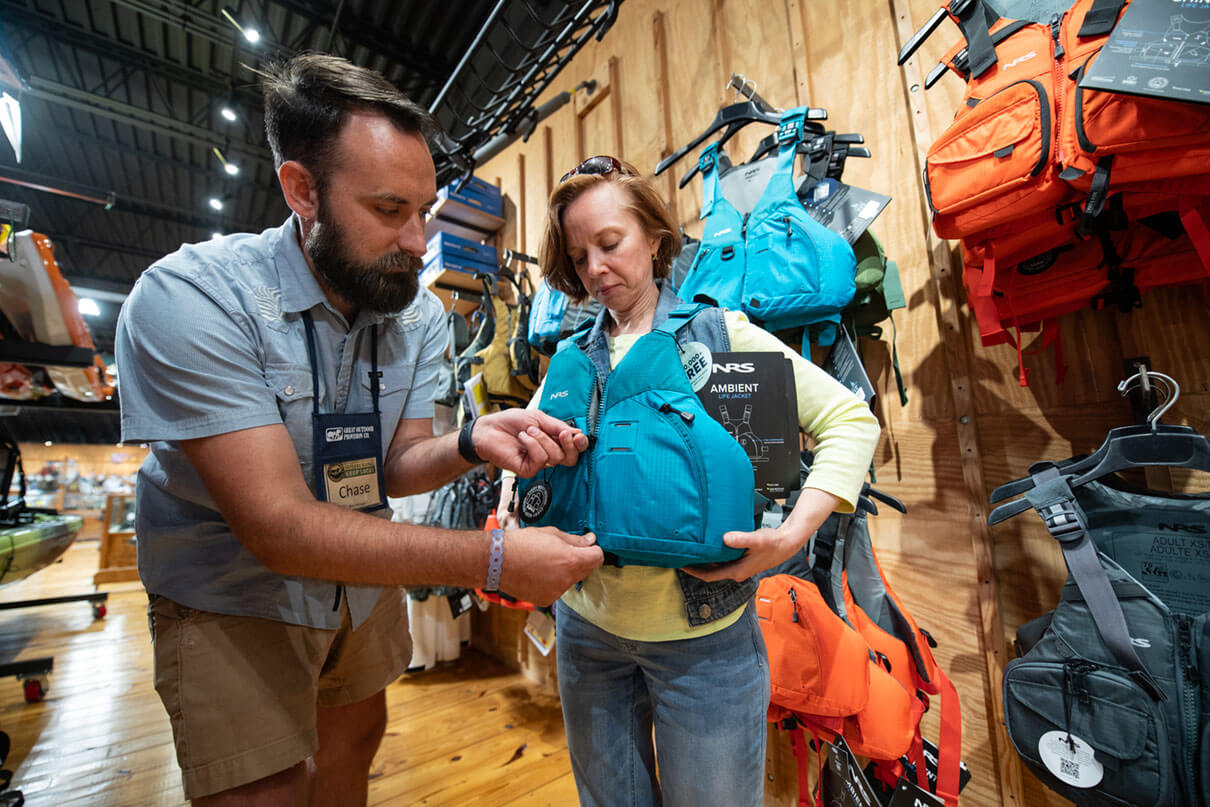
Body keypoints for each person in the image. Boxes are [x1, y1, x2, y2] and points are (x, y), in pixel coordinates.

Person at [115, 54, 603, 806]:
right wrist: (495, 559)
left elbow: (395, 462)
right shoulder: (191, 298)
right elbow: (276, 526)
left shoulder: (416, 311)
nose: (417, 240)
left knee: (353, 745)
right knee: (265, 786)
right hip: (231, 591)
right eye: (387, 210)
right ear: (302, 190)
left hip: (360, 585)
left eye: (426, 210)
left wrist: (472, 440)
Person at [496, 156, 882, 807]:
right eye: (579, 253)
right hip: (587, 635)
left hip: (703, 647)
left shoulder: (718, 336)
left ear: (653, 236)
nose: (595, 268)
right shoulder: (570, 356)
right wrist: (514, 501)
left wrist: (790, 536)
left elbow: (849, 417)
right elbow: (527, 465)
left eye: (611, 243)